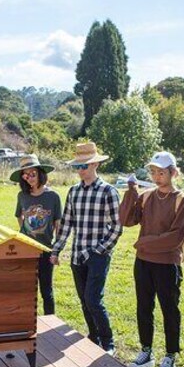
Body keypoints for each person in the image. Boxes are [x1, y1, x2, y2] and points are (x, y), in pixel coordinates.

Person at [119, 151, 184, 367]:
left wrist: (144, 243)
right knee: (143, 306)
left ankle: (170, 355)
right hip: (144, 262)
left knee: (169, 309)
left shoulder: (181, 200)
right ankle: (146, 351)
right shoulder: (147, 196)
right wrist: (131, 192)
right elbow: (127, 219)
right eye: (153, 172)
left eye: (162, 172)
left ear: (173, 173)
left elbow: (175, 237)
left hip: (167, 264)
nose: (157, 176)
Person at [50, 142, 123, 355]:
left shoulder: (109, 191)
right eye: (78, 166)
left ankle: (108, 343)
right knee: (84, 300)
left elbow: (117, 227)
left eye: (84, 166)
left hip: (98, 255)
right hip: (77, 254)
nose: (80, 170)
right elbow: (66, 223)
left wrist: (100, 250)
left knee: (93, 299)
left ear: (95, 165)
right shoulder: (73, 192)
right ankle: (94, 336)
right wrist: (56, 250)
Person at [12, 154, 62, 315]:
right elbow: (18, 215)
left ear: (40, 173)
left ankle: (50, 321)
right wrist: (24, 232)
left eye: (32, 173)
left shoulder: (53, 196)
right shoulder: (22, 196)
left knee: (46, 290)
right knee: (26, 288)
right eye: (25, 175)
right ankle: (26, 320)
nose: (29, 178)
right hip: (26, 249)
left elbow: (57, 224)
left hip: (46, 249)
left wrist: (56, 249)